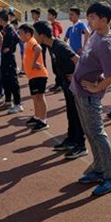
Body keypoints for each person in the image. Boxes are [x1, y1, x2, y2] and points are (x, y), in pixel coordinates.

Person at [70, 2, 111, 196]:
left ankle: (110, 177)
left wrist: (97, 86)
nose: (89, 21)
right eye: (89, 17)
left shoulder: (105, 42)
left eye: (92, 17)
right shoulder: (95, 35)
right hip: (80, 92)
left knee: (98, 134)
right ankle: (99, 168)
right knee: (90, 132)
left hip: (89, 96)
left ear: (104, 20)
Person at [35, 20, 86, 158]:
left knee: (76, 113)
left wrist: (75, 76)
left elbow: (78, 60)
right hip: (66, 84)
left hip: (73, 85)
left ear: (42, 35)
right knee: (70, 112)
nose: (34, 37)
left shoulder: (59, 46)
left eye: (35, 34)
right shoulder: (51, 46)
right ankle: (71, 139)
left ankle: (80, 145)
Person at [19, 23, 50, 132]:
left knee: (40, 97)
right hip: (33, 76)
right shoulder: (27, 43)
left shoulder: (32, 41)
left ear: (28, 34)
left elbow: (39, 49)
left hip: (39, 74)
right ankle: (37, 117)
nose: (20, 36)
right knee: (35, 97)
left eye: (21, 34)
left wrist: (33, 63)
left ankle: (43, 120)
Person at [0, 10, 24, 114]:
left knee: (13, 80)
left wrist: (9, 48)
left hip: (9, 58)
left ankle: (18, 104)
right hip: (5, 57)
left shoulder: (10, 28)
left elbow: (17, 39)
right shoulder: (5, 28)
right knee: (5, 79)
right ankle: (8, 101)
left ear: (1, 19)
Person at [47, 8, 65, 92]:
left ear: (53, 16)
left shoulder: (55, 25)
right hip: (53, 47)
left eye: (49, 15)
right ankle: (58, 83)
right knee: (55, 65)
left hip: (54, 47)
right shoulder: (53, 24)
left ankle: (60, 84)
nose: (48, 16)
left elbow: (56, 34)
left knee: (57, 65)